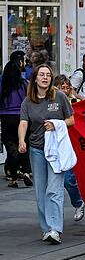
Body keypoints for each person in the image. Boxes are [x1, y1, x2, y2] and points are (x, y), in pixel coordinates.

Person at [18, 64, 75, 244]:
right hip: (37, 150)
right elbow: (23, 123)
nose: (45, 78)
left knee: (54, 189)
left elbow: (72, 120)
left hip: (56, 150)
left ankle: (55, 229)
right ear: (35, 78)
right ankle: (45, 228)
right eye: (41, 75)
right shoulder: (28, 101)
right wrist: (22, 140)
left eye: (48, 75)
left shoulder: (59, 96)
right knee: (40, 191)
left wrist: (57, 124)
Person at [52, 75, 85, 222]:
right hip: (53, 145)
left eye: (67, 87)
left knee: (68, 179)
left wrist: (75, 97)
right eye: (62, 88)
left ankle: (78, 202)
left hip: (71, 145)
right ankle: (54, 216)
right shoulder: (51, 102)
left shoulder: (75, 102)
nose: (65, 90)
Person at [1, 57, 32, 187]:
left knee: (11, 148)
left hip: (6, 118)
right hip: (22, 118)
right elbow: (30, 99)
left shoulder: (2, 84)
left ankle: (13, 179)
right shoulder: (24, 83)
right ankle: (26, 172)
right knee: (23, 144)